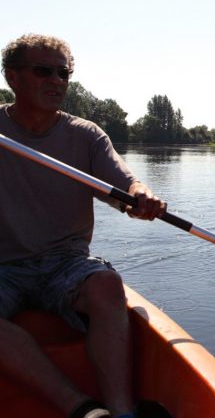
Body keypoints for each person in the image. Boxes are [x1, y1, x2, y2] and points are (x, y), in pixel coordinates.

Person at [0, 34, 167, 418]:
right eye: (44, 71)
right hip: (2, 265)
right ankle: (84, 410)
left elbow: (125, 184)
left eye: (64, 73)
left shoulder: (85, 135)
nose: (56, 81)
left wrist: (140, 197)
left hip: (64, 261)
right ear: (12, 77)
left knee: (107, 284)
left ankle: (122, 413)